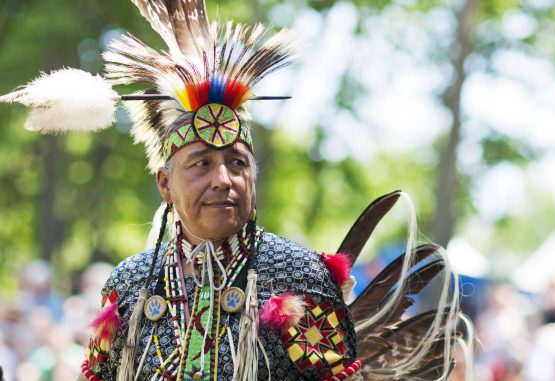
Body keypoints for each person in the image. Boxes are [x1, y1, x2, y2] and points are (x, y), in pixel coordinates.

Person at [1, 1, 468, 380]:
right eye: (201, 164)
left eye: (237, 163)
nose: (223, 179)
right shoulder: (127, 287)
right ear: (165, 183)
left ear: (254, 177)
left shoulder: (298, 278)